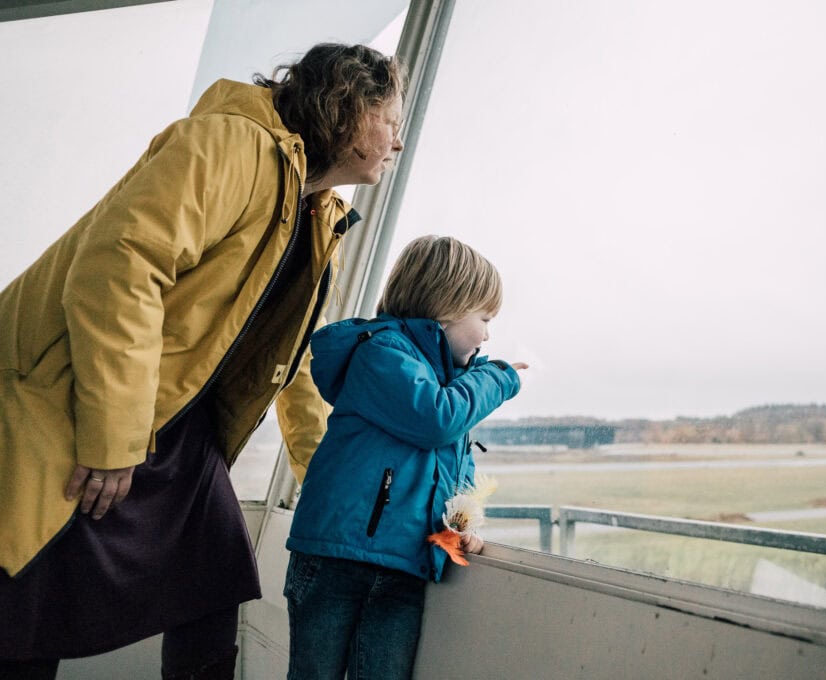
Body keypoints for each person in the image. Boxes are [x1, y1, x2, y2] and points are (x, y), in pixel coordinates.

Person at [0, 43, 405, 679]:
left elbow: (291, 361)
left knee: (214, 584)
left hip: (180, 426)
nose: (399, 143)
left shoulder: (321, 215)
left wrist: (323, 476)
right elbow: (117, 271)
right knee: (28, 605)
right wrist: (113, 437)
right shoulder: (230, 146)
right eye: (393, 122)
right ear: (348, 107)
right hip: (78, 404)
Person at [284, 235, 528, 680]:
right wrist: (496, 377)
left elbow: (451, 474)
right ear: (448, 307)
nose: (489, 334)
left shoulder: (443, 384)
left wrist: (460, 529)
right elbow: (435, 420)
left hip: (402, 567)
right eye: (485, 318)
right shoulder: (382, 353)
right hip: (337, 561)